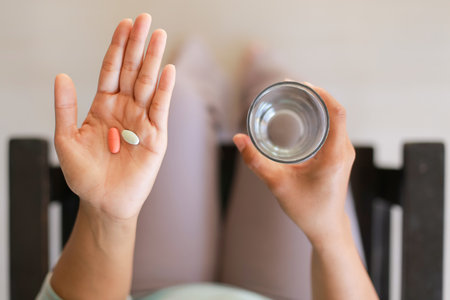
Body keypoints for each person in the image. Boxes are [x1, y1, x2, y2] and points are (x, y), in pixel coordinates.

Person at [37, 13, 379, 300]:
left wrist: (107, 217)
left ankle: (198, 67)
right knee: (287, 109)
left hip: (151, 291)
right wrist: (329, 230)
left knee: (178, 97)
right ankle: (259, 70)